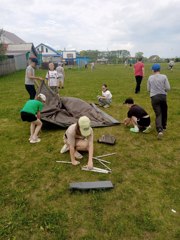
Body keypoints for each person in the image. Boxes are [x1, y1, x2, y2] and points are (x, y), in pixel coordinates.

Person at [147, 63, 170, 139]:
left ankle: (160, 130)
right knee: (164, 111)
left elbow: (148, 89)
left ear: (153, 70)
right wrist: (164, 90)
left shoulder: (150, 77)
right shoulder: (164, 76)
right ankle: (164, 126)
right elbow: (168, 88)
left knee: (158, 114)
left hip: (154, 97)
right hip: (163, 96)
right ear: (159, 69)